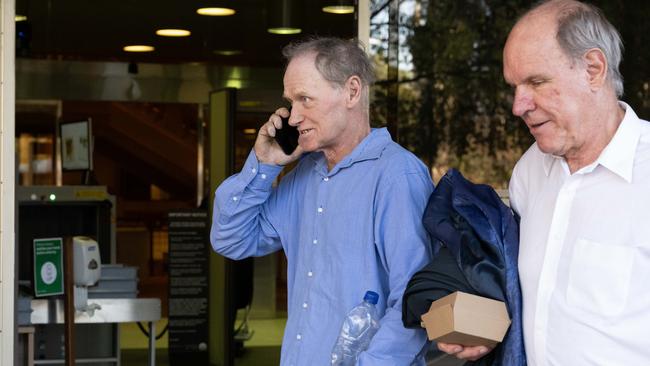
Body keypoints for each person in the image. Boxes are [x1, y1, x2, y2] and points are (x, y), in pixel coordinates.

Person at [438, 0, 650, 364]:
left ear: (593, 69)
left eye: (536, 82)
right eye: (515, 86)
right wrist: (488, 332)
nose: (518, 106)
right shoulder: (529, 171)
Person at [210, 37, 434, 365]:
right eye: (291, 101)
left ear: (352, 91)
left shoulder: (398, 176)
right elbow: (231, 239)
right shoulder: (303, 176)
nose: (294, 116)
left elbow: (414, 304)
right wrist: (263, 164)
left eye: (305, 99)